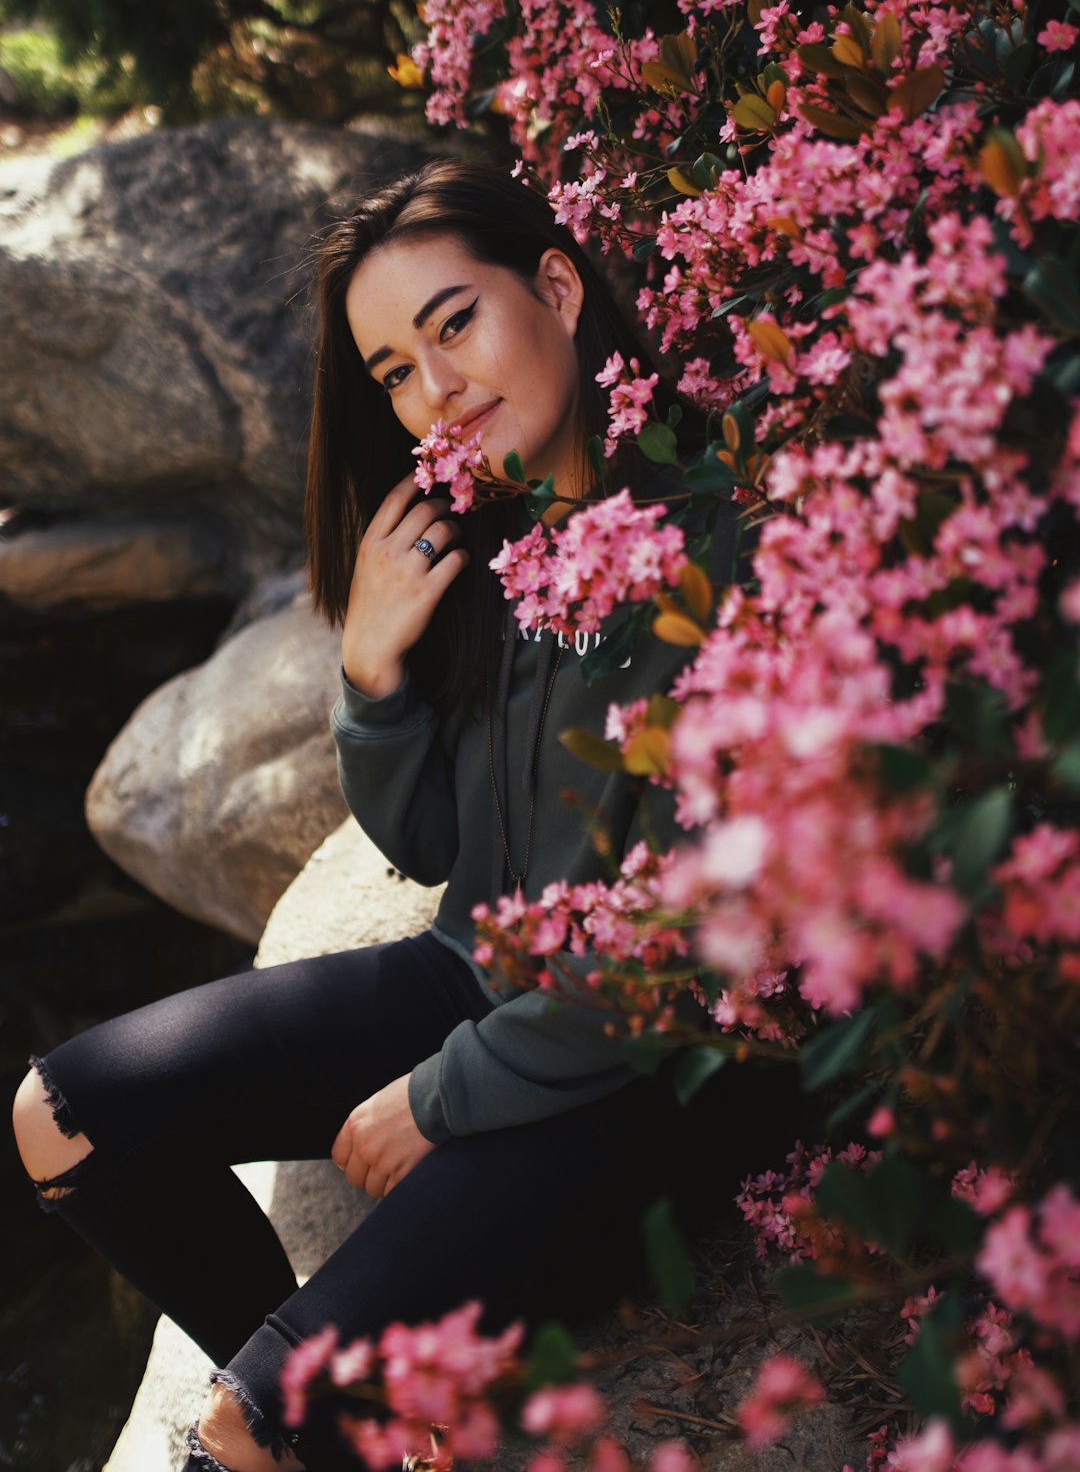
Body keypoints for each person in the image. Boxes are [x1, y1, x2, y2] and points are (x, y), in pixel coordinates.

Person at [12, 159, 796, 1472]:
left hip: (651, 1074)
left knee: (246, 1435)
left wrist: (441, 1100)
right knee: (60, 1122)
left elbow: (705, 936)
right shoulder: (497, 542)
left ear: (554, 284)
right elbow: (436, 849)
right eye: (390, 370)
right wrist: (372, 675)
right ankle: (335, 1398)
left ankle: (294, 1410)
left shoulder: (721, 539)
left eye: (453, 323)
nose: (432, 387)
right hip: (478, 978)